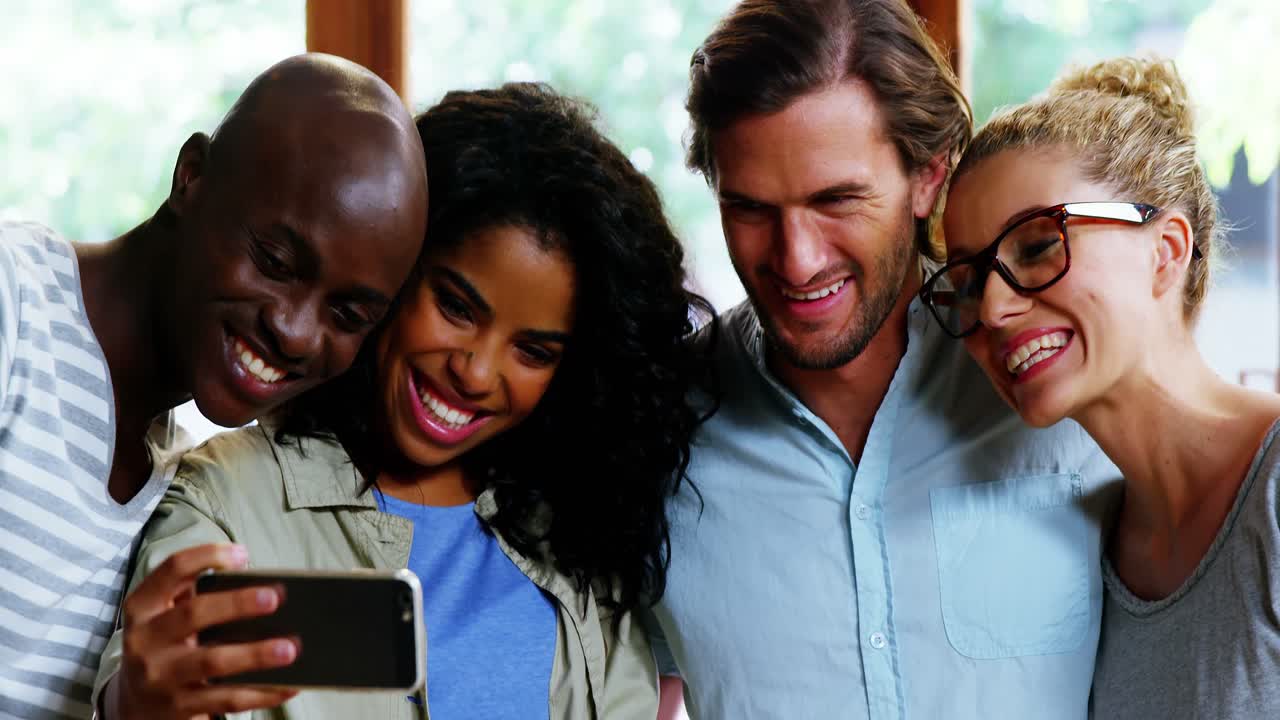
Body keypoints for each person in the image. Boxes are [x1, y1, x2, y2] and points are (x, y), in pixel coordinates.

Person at [94, 82, 713, 719]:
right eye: (455, 306)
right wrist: (137, 703)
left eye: (533, 350)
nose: (475, 372)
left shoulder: (580, 556)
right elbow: (147, 689)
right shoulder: (228, 501)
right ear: (392, 273)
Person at [646, 1, 1121, 718]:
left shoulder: (1065, 390)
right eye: (750, 209)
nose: (796, 260)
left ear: (929, 175)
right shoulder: (653, 434)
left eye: (837, 199)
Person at [0, 53, 428, 719]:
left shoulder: (195, 479)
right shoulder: (13, 304)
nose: (294, 331)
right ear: (191, 177)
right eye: (276, 261)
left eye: (346, 316)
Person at [921, 56, 1280, 718]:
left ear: (1166, 251)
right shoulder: (1097, 546)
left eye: (1036, 246)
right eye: (967, 284)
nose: (993, 309)